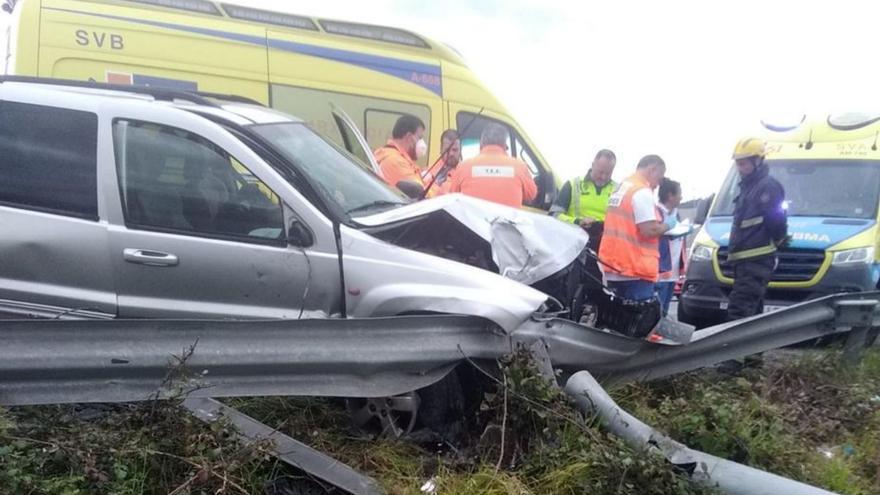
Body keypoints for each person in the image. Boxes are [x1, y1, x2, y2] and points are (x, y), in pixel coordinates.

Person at [726, 137, 787, 321]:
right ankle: (752, 349)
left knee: (740, 310)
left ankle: (733, 349)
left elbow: (776, 220)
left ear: (758, 161)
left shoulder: (768, 186)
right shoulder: (749, 186)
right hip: (745, 259)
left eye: (743, 163)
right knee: (752, 309)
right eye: (738, 163)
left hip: (756, 258)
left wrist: (779, 240)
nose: (740, 168)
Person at [598, 154, 672, 301]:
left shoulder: (621, 188)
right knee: (639, 320)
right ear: (653, 169)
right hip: (634, 267)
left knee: (616, 319)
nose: (658, 184)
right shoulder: (642, 192)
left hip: (613, 265)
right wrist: (669, 225)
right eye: (659, 178)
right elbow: (649, 230)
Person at [445, 123, 537, 208]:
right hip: (507, 225)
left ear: (481, 145)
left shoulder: (463, 167)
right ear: (505, 146)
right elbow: (531, 195)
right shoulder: (519, 167)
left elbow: (452, 197)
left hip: (473, 225)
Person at [550, 149, 617, 251]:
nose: (603, 177)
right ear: (593, 165)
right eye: (600, 172)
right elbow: (553, 215)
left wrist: (601, 225)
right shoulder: (573, 184)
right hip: (574, 247)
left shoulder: (618, 191)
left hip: (604, 250)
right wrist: (578, 222)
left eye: (608, 173)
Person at [373, 114, 431, 197]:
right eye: (420, 137)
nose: (422, 143)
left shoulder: (390, 155)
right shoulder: (396, 162)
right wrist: (434, 184)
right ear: (409, 137)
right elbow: (424, 196)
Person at [656, 178, 688, 316]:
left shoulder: (676, 214)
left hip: (673, 271)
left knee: (665, 308)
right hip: (660, 270)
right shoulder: (657, 212)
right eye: (679, 193)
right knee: (657, 307)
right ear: (670, 195)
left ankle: (660, 332)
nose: (681, 197)